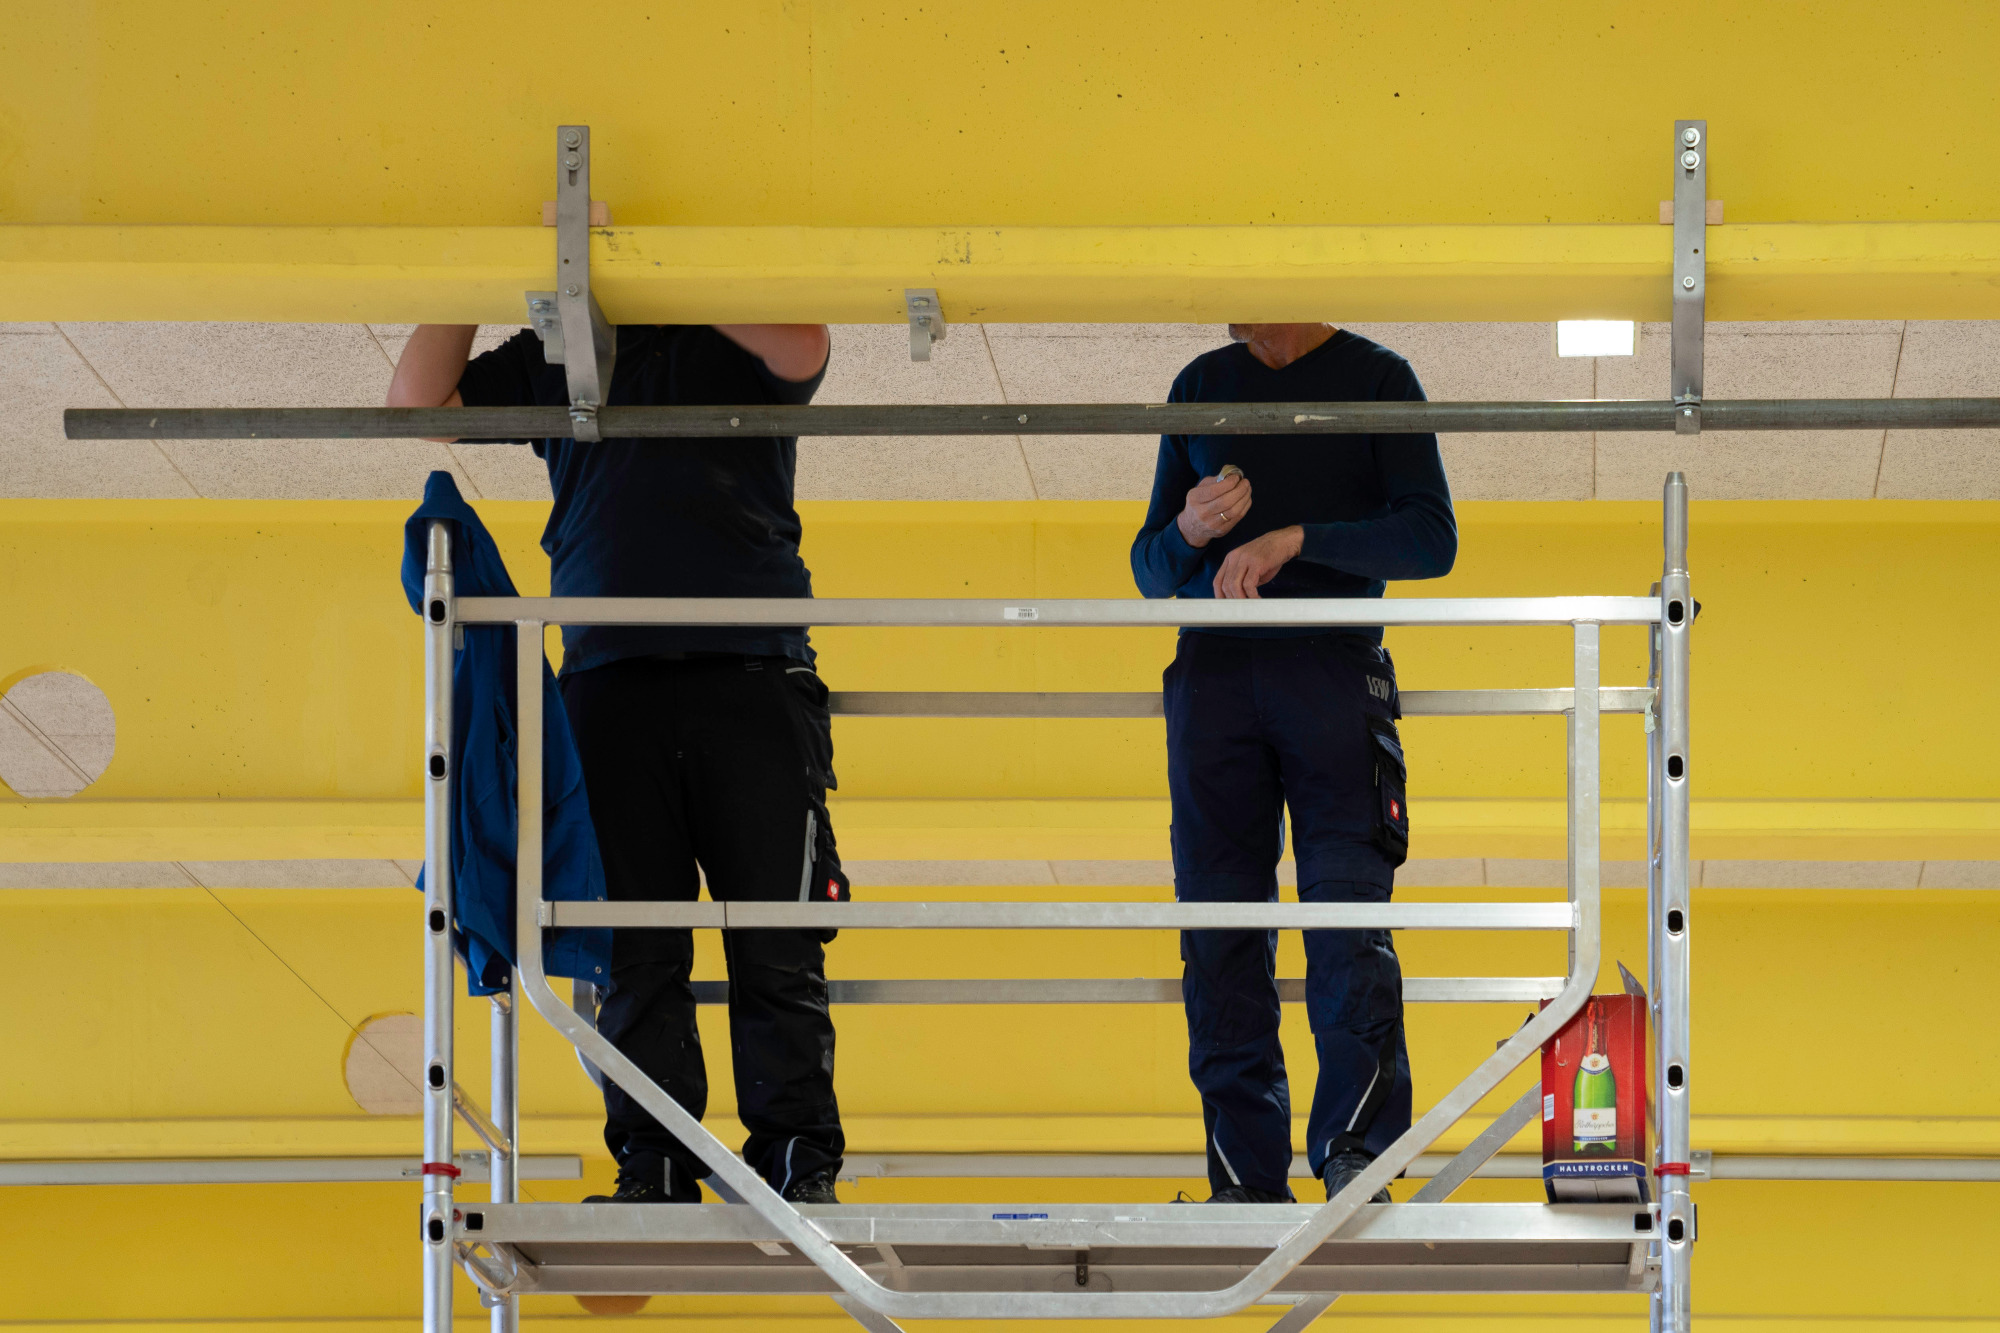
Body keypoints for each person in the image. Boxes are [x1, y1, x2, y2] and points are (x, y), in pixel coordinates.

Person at [388, 321, 849, 1206]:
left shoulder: (738, 330)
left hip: (751, 672)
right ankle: (657, 1164)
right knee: (632, 950)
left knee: (777, 937)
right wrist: (474, 273)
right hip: (609, 680)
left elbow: (804, 346)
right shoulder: (566, 348)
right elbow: (418, 408)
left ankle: (796, 1163)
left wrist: (674, 272)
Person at [1130, 322, 1457, 1205]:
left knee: (1347, 921)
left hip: (1332, 664)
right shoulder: (1200, 383)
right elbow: (1149, 568)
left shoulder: (1379, 378)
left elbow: (1432, 538)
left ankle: (1355, 1155)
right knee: (1220, 932)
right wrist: (1189, 527)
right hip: (1214, 673)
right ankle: (1244, 1177)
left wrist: (1296, 539)